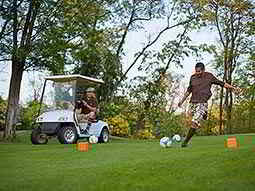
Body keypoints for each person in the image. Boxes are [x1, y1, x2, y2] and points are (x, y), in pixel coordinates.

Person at [178, 62, 241, 147]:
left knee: (194, 122)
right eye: (196, 71)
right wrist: (182, 101)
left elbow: (221, 83)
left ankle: (185, 142)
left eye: (199, 71)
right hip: (192, 103)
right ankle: (204, 113)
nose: (198, 73)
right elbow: (189, 90)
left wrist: (233, 88)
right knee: (194, 120)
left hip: (202, 102)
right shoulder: (192, 78)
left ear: (203, 70)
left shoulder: (209, 76)